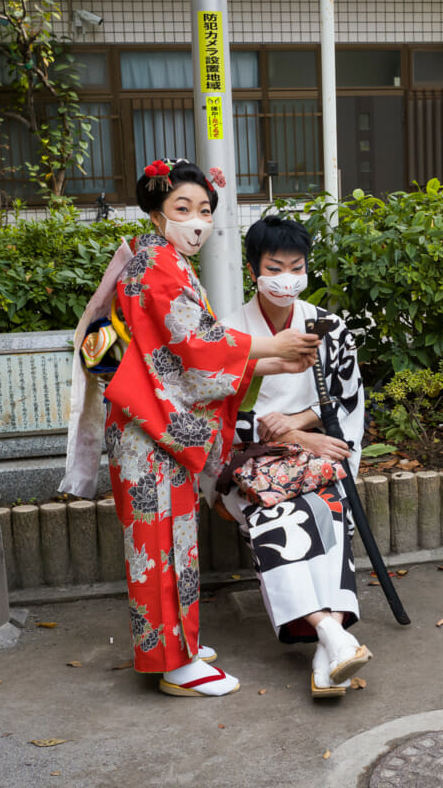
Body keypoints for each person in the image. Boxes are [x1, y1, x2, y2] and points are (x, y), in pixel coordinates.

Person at [61, 159, 319, 697]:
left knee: (175, 541)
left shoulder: (165, 261)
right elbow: (196, 345)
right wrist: (270, 348)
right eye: (184, 208)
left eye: (205, 210)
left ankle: (178, 642)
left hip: (155, 425)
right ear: (157, 212)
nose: (197, 220)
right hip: (146, 433)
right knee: (159, 544)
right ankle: (172, 666)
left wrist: (269, 364)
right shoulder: (156, 265)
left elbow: (182, 362)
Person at [207, 215, 370, 699]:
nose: (286, 277)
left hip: (312, 456)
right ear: (254, 269)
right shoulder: (230, 332)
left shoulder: (329, 327)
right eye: (275, 266)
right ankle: (332, 632)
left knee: (329, 505)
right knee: (276, 513)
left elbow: (348, 400)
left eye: (296, 266)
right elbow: (213, 415)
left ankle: (329, 646)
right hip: (246, 465)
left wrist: (299, 424)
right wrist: (286, 438)